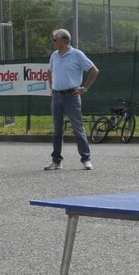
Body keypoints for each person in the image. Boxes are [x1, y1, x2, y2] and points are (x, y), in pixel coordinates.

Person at [44, 28, 97, 171]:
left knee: (78, 129)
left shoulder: (77, 54)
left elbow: (94, 71)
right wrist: (52, 86)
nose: (53, 42)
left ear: (64, 40)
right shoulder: (54, 55)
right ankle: (56, 161)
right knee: (57, 130)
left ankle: (86, 159)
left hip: (71, 97)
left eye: (55, 39)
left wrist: (84, 88)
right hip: (56, 96)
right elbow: (49, 70)